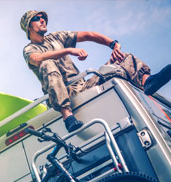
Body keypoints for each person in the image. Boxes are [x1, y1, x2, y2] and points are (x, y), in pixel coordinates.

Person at [20, 10, 171, 133]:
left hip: (83, 85)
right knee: (47, 63)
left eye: (43, 18)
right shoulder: (29, 49)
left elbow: (88, 35)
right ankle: (68, 117)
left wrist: (113, 44)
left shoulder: (56, 37)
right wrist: (69, 50)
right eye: (37, 18)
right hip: (64, 93)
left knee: (123, 58)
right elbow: (36, 58)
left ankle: (147, 82)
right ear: (29, 27)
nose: (42, 20)